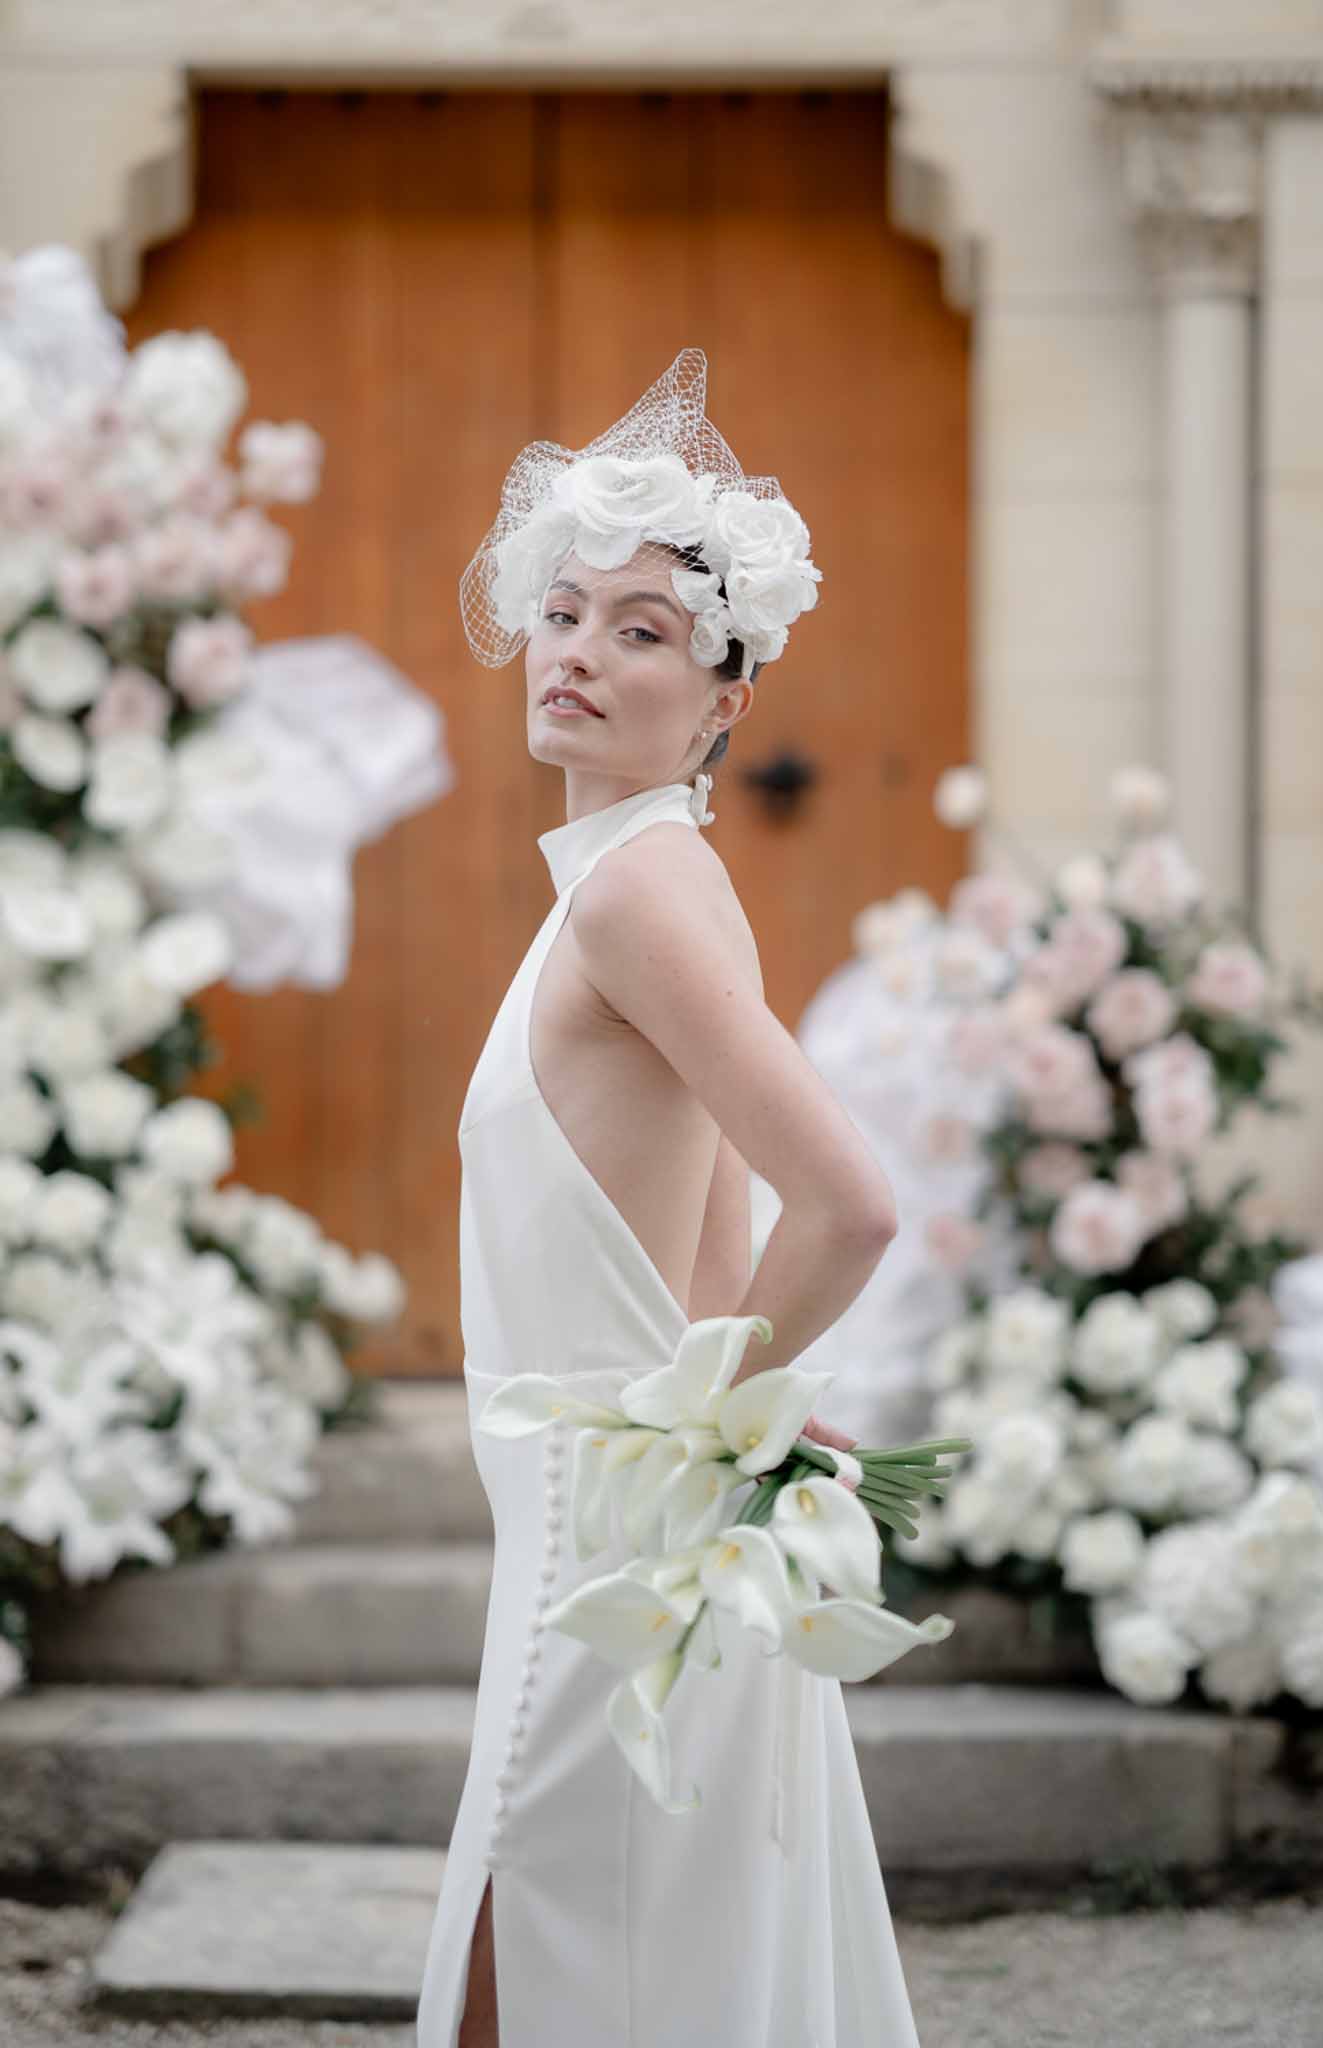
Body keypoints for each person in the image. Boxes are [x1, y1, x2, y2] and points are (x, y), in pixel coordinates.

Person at [416, 349, 921, 2047]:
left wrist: (711, 1429)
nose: (576, 652)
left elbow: (845, 1201)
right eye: (564, 613)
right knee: (576, 1955)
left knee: (543, 1959)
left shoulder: (640, 894)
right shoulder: (641, 886)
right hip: (617, 1533)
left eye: (642, 632)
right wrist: (744, 1402)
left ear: (721, 702)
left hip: (611, 1531)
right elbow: (712, 1249)